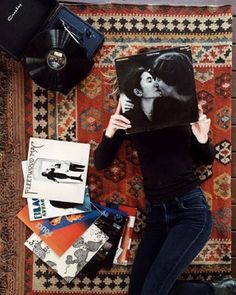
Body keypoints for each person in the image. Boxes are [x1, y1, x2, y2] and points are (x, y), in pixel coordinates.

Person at [94, 98, 236, 294]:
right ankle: (218, 291)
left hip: (190, 213)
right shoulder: (131, 115)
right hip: (157, 218)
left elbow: (206, 159)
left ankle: (215, 290)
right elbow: (100, 162)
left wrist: (202, 136)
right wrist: (110, 131)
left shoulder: (181, 106)